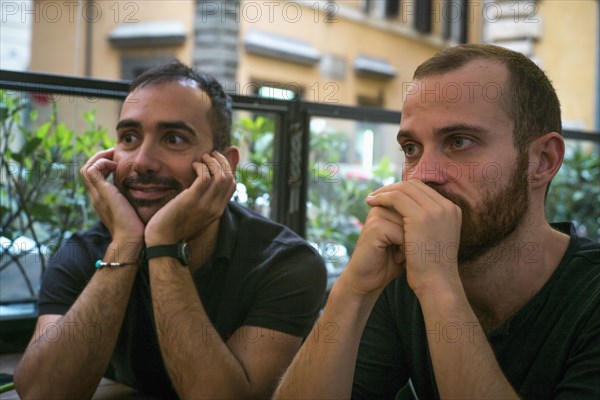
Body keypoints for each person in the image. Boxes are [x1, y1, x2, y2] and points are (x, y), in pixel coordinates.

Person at [274, 44, 600, 399]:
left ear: (542, 161)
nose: (422, 175)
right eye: (412, 148)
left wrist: (439, 285)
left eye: (459, 141)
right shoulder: (402, 284)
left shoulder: (588, 297)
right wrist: (353, 291)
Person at [14, 61, 327, 399]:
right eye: (129, 137)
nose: (142, 161)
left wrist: (163, 244)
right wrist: (126, 244)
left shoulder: (285, 263)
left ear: (225, 165)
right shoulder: (84, 251)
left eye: (174, 138)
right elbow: (42, 394)